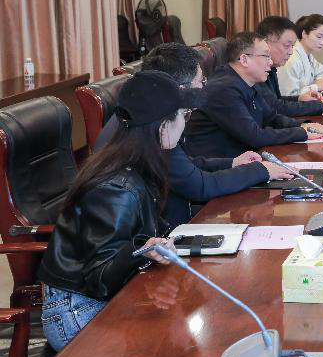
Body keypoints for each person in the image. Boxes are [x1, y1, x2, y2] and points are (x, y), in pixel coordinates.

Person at [37, 71, 199, 350]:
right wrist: (141, 249)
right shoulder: (117, 188)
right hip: (76, 309)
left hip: (103, 294)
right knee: (170, 344)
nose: (186, 123)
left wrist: (153, 245)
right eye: (184, 115)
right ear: (162, 126)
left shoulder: (134, 162)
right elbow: (100, 278)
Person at [94, 43, 298, 229]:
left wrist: (232, 163)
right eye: (201, 81)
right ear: (182, 89)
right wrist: (260, 170)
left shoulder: (150, 112)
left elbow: (185, 164)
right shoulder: (151, 128)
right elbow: (200, 186)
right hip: (165, 232)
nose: (204, 87)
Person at [183, 32, 323, 159]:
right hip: (218, 167)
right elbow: (255, 136)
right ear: (244, 60)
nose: (270, 62)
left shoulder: (246, 82)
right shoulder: (224, 89)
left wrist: (304, 125)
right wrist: (301, 132)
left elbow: (271, 117)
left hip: (243, 159)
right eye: (266, 56)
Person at [256, 15, 323, 115]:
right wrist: (321, 104)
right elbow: (277, 107)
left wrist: (299, 98)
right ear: (265, 43)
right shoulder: (257, 72)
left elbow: (277, 101)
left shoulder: (271, 69)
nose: (291, 52)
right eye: (287, 45)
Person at [278, 14, 323, 96]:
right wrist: (316, 86)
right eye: (319, 36)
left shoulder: (308, 55)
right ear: (304, 34)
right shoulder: (291, 59)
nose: (322, 42)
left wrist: (318, 84)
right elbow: (289, 96)